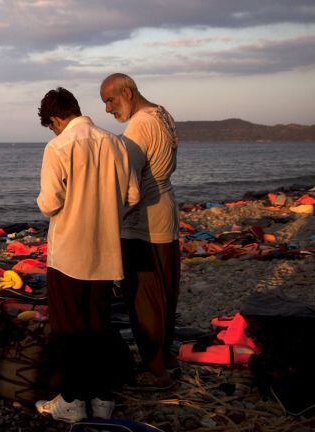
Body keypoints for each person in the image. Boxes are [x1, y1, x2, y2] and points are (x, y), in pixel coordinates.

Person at [34, 87, 137, 423]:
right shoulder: (116, 143)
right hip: (106, 251)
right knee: (98, 325)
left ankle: (73, 400)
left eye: (51, 125)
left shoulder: (59, 146)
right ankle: (102, 397)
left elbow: (50, 203)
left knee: (69, 329)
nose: (53, 130)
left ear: (56, 119)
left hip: (68, 254)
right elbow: (133, 195)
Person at [99, 73, 180, 389]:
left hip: (143, 220)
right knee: (164, 289)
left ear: (127, 92)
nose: (107, 109)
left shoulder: (139, 126)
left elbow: (126, 182)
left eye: (110, 99)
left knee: (144, 295)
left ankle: (155, 369)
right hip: (165, 210)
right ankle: (163, 355)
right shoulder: (163, 114)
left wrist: (107, 219)